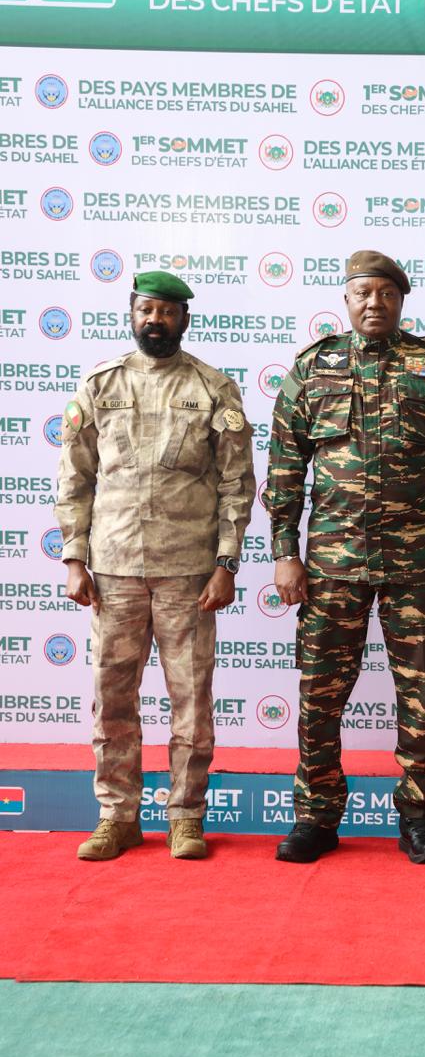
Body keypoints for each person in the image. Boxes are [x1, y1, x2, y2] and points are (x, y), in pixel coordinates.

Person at [264, 249, 425, 865]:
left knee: (423, 695)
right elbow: (284, 467)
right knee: (319, 696)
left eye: (386, 294)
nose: (374, 303)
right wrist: (284, 552)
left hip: (420, 566)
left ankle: (419, 818)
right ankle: (316, 817)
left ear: (401, 301)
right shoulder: (313, 368)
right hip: (332, 566)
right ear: (346, 298)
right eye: (363, 292)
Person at [56, 271, 256, 861]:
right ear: (132, 313)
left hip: (187, 571)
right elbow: (75, 478)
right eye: (147, 309)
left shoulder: (212, 387)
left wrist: (226, 563)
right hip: (113, 568)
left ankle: (186, 817)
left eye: (167, 312)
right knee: (112, 697)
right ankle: (117, 817)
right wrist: (74, 558)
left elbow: (237, 484)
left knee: (191, 699)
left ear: (184, 319)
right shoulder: (101, 384)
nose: (155, 320)